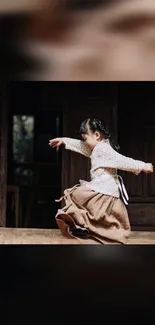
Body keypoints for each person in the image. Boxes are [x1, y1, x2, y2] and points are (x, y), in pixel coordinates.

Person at [49, 117, 153, 244]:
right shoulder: (99, 148)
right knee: (83, 201)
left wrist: (142, 166)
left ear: (97, 135)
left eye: (85, 138)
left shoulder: (103, 149)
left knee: (77, 195)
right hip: (103, 190)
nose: (84, 142)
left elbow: (122, 161)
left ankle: (85, 228)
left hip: (104, 191)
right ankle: (87, 228)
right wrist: (64, 140)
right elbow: (82, 147)